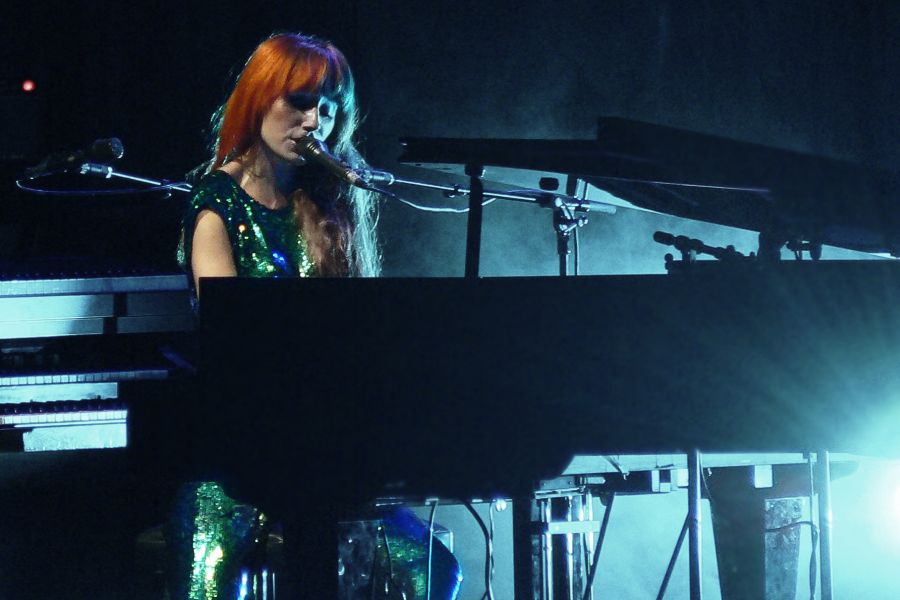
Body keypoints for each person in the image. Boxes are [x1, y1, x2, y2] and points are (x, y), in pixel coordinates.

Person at [171, 33, 460, 600]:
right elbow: (231, 335)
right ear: (259, 98)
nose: (314, 120)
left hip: (323, 444)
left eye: (328, 108)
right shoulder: (217, 203)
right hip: (238, 454)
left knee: (433, 570)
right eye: (299, 101)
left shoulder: (328, 202)